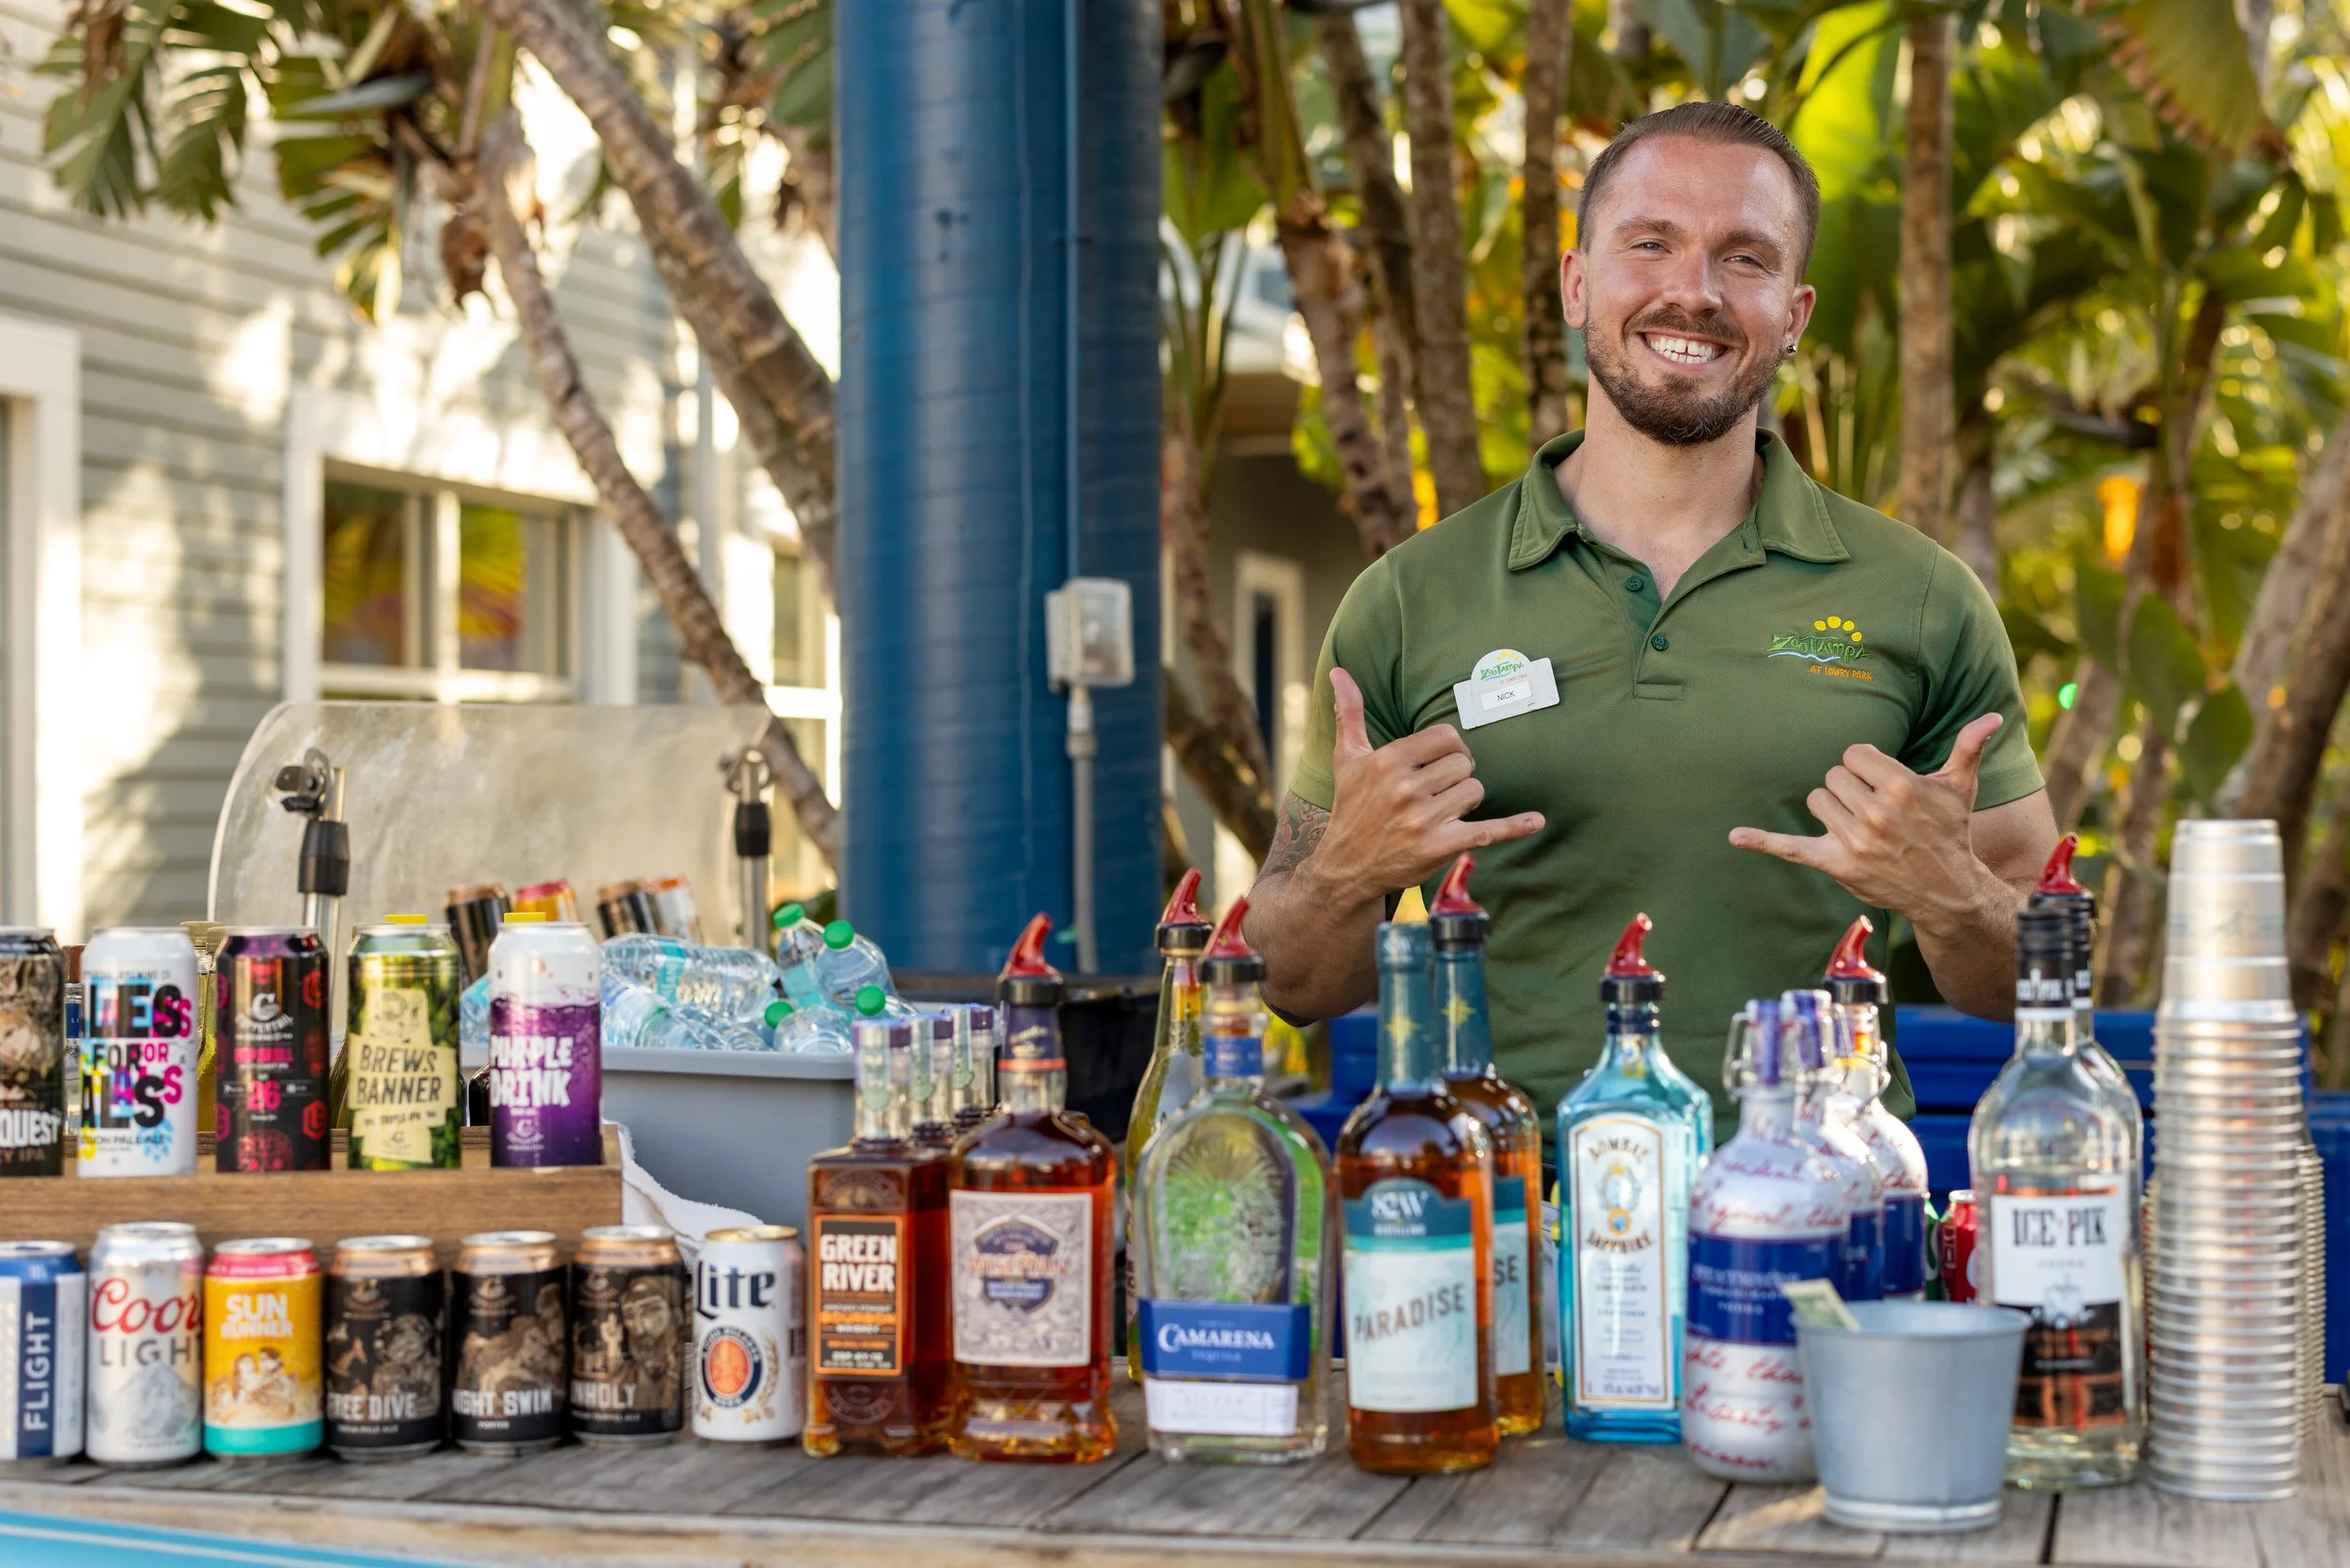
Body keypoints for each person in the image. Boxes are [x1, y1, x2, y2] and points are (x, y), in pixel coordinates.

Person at [1243, 102, 2059, 1130]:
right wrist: (1344, 877)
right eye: (1650, 244)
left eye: (1745, 258)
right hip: (1508, 1204)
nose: (1694, 291)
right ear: (1577, 283)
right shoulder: (1410, 600)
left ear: (1795, 314)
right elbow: (1289, 982)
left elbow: (2038, 979)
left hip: (1819, 1197)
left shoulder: (1922, 598)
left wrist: (1953, 895)